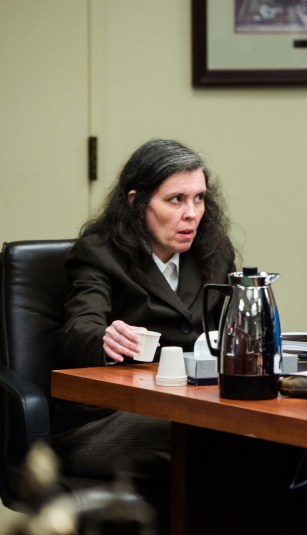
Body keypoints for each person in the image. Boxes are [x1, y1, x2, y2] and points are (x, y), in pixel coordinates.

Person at [53, 139, 236, 529]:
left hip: (193, 408)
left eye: (199, 199)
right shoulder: (99, 253)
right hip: (111, 419)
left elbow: (231, 333)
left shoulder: (214, 255)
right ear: (137, 203)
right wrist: (105, 337)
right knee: (209, 442)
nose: (192, 214)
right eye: (176, 200)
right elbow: (79, 329)